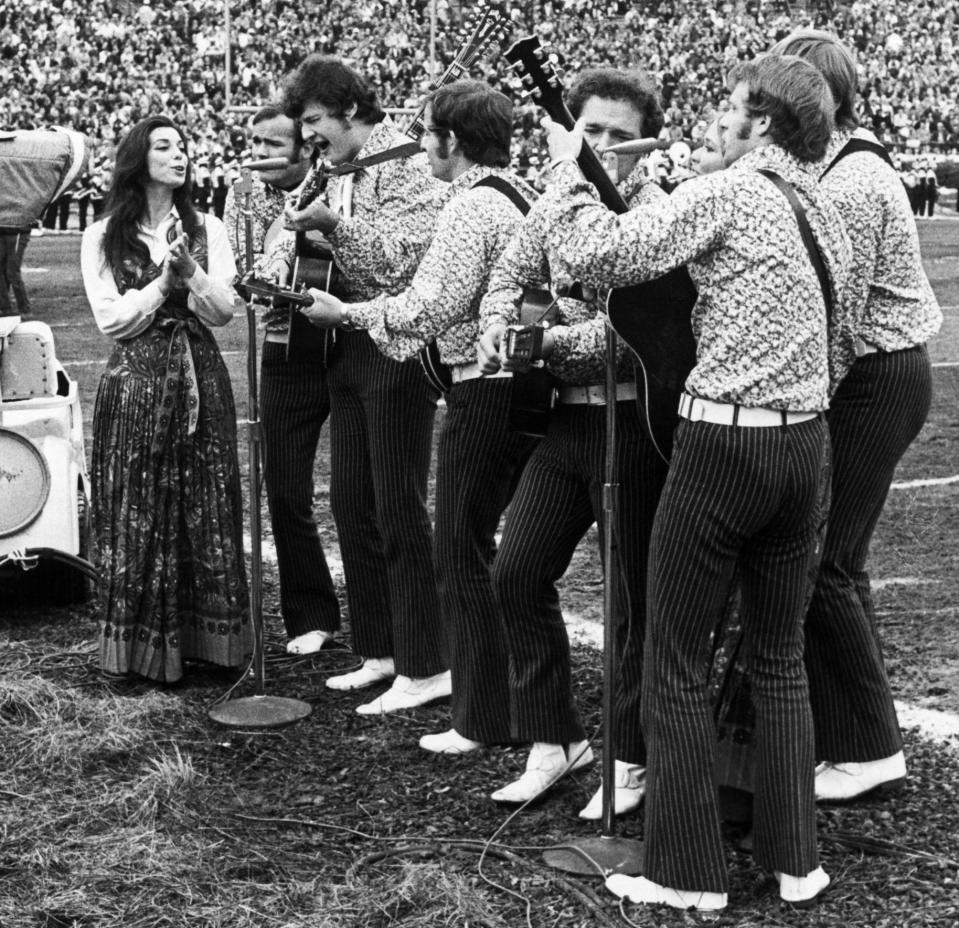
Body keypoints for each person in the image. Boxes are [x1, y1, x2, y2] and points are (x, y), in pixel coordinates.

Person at [533, 55, 851, 909]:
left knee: (674, 659)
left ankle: (682, 872)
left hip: (722, 444)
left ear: (761, 125)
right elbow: (839, 330)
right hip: (804, 443)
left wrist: (570, 165)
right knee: (777, 656)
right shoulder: (820, 203)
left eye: (728, 108)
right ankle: (795, 861)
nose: (713, 119)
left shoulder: (731, 191)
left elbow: (596, 255)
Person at [301, 80, 537, 751]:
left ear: (451, 141)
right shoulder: (506, 192)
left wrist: (346, 312)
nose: (419, 143)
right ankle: (496, 704)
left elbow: (428, 304)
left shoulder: (469, 206)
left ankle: (483, 713)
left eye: (427, 132)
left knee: (460, 550)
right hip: (499, 379)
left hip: (480, 383)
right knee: (481, 549)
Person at [476, 68, 669, 818]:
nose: (604, 147)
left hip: (635, 426)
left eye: (622, 136)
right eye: (591, 131)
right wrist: (499, 322)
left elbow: (627, 335)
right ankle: (553, 738)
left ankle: (631, 755)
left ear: (646, 145)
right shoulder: (555, 201)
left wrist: (541, 342)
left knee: (632, 602)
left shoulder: (659, 211)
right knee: (516, 571)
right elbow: (506, 276)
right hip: (562, 423)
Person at [769, 30, 942, 804]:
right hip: (879, 370)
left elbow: (835, 316)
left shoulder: (848, 182)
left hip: (874, 374)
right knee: (834, 560)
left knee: (829, 560)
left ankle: (871, 747)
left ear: (826, 96)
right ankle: (852, 730)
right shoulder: (848, 166)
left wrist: (794, 401)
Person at [278, 55, 449, 715]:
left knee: (397, 506)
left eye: (317, 120)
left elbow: (403, 266)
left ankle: (426, 662)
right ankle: (380, 649)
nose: (311, 135)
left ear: (349, 109)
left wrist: (332, 225)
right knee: (353, 501)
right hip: (344, 339)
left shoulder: (405, 162)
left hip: (396, 343)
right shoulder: (336, 167)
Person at [80, 115, 250, 683]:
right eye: (164, 146)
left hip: (198, 374)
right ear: (139, 158)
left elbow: (225, 309)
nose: (179, 155)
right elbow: (111, 320)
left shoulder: (212, 229)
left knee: (203, 496)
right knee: (139, 504)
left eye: (183, 146)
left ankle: (210, 642)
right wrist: (162, 283)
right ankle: (142, 649)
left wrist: (193, 273)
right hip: (135, 383)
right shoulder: (102, 235)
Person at [222, 105, 341, 657]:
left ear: (306, 148)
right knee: (286, 489)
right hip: (281, 350)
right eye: (254, 141)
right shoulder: (241, 194)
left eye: (274, 143)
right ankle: (311, 616)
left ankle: (386, 621)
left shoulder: (338, 185)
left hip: (345, 345)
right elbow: (242, 273)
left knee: (362, 494)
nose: (260, 153)